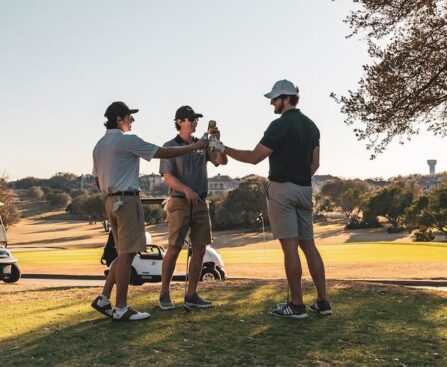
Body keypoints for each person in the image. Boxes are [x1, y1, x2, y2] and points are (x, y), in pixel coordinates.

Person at [210, 80, 332, 318]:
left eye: (275, 99)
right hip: (305, 189)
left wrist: (223, 148)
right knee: (309, 245)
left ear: (286, 99)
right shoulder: (312, 126)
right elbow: (315, 163)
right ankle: (322, 302)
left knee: (290, 248)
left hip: (282, 190)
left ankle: (297, 305)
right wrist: (299, 178)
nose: (272, 103)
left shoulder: (279, 125)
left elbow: (254, 157)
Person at [91, 101, 207, 322]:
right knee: (128, 255)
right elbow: (163, 152)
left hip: (110, 201)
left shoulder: (99, 145)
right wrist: (194, 147)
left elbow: (98, 180)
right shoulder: (127, 140)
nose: (132, 120)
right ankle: (121, 307)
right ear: (119, 119)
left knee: (121, 254)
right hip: (127, 201)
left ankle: (104, 299)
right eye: (129, 117)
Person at [158, 106, 227, 310]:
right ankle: (164, 294)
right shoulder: (169, 146)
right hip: (179, 202)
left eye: (196, 119)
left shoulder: (203, 144)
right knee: (174, 248)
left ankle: (191, 295)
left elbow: (220, 162)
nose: (194, 122)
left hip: (200, 203)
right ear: (179, 122)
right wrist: (186, 189)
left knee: (199, 248)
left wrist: (218, 144)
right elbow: (167, 177)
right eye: (190, 119)